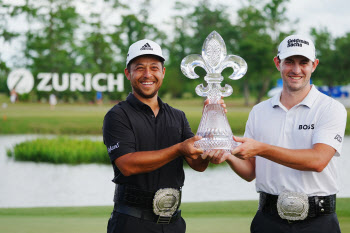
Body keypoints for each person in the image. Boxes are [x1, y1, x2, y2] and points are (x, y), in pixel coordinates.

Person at [205, 35, 347, 233]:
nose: (296, 70)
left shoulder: (331, 109)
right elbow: (250, 172)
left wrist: (261, 149)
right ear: (277, 63)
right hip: (268, 220)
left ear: (314, 65)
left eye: (303, 62)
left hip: (318, 222)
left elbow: (318, 160)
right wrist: (228, 153)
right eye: (289, 62)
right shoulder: (259, 111)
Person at [103, 39, 216, 233]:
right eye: (139, 68)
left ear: (162, 72)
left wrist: (210, 129)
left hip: (173, 223)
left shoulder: (177, 116)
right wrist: (179, 148)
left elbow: (198, 164)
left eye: (154, 68)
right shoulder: (117, 115)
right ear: (128, 73)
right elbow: (128, 165)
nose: (148, 74)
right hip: (131, 222)